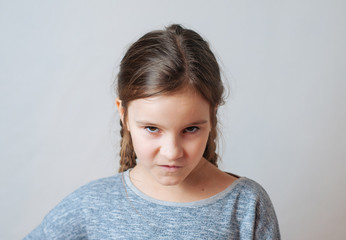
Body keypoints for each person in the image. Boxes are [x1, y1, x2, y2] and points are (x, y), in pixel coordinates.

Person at [24, 24, 280, 239]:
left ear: (212, 115)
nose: (172, 152)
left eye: (190, 129)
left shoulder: (247, 205)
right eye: (152, 128)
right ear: (123, 115)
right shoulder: (92, 204)